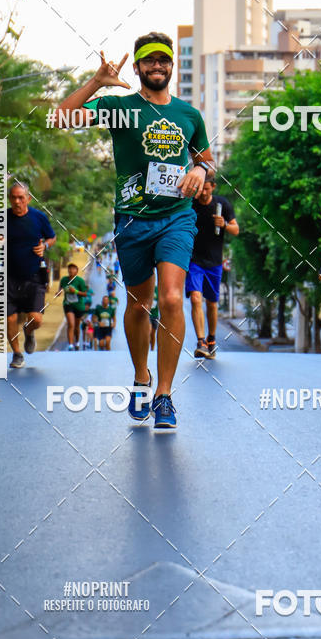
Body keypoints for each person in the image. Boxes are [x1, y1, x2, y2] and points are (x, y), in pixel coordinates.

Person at [52, 31, 214, 428]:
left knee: (172, 300)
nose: (157, 66)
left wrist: (197, 168)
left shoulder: (189, 115)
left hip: (177, 217)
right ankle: (141, 378)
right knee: (140, 304)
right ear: (139, 67)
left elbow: (208, 162)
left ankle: (163, 395)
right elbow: (59, 118)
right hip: (131, 221)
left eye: (164, 60)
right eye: (149, 61)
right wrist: (95, 82)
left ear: (172, 66)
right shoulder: (119, 108)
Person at [186, 171, 238, 359]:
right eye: (200, 190)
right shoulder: (191, 205)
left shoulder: (221, 205)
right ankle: (200, 342)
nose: (203, 193)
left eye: (206, 189)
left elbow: (236, 229)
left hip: (214, 262)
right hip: (194, 261)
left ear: (213, 187)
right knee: (195, 298)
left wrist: (223, 224)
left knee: (212, 304)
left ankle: (211, 339)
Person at [6, 183, 56, 368]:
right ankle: (17, 354)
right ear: (10, 198)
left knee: (36, 319)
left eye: (21, 197)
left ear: (28, 198)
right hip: (9, 277)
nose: (17, 201)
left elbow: (52, 237)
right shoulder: (2, 218)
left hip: (34, 277)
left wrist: (46, 246)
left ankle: (29, 330)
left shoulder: (38, 217)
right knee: (10, 319)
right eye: (13, 197)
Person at [57, 262, 88, 350]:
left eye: (73, 268)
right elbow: (60, 290)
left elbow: (85, 294)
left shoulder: (80, 281)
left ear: (77, 271)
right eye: (69, 268)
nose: (71, 270)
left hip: (79, 306)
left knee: (77, 327)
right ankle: (70, 345)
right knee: (71, 324)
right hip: (68, 304)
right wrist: (58, 293)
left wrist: (76, 291)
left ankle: (77, 342)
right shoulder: (64, 280)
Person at [149, 284, 159, 351]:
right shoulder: (146, 288)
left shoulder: (157, 289)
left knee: (153, 334)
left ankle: (152, 349)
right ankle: (146, 348)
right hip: (147, 315)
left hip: (155, 315)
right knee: (148, 331)